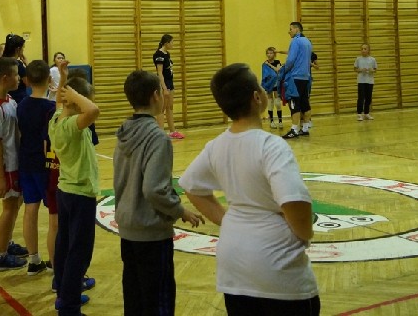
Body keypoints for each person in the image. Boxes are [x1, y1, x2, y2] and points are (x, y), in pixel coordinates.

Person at [179, 63, 320, 316]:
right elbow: (294, 201)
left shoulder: (216, 145)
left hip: (233, 266)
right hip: (277, 269)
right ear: (257, 97)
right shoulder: (272, 146)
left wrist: (230, 220)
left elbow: (191, 186)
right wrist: (304, 234)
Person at [115, 70, 204, 316]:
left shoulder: (123, 132)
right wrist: (180, 210)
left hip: (128, 229)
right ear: (156, 95)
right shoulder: (157, 138)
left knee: (134, 300)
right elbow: (154, 189)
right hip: (151, 234)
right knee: (158, 304)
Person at [50, 63, 101, 315]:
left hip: (65, 192)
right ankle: (69, 305)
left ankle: (64, 289)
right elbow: (93, 110)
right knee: (78, 252)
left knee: (64, 245)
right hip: (80, 194)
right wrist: (75, 95)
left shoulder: (56, 119)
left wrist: (64, 80)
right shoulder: (71, 126)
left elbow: (60, 103)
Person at [0, 56, 30, 271]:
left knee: (15, 204)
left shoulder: (9, 101)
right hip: (6, 167)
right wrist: (1, 177)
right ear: (5, 78)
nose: (19, 78)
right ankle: (0, 256)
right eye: (16, 75)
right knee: (9, 208)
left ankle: (7, 243)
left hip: (14, 164)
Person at [17, 60, 59, 276]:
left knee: (30, 209)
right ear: (49, 79)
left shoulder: (21, 105)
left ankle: (33, 259)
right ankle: (55, 263)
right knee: (54, 216)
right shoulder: (50, 109)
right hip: (46, 166)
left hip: (26, 162)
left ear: (26, 81)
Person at [282, 21, 313, 139]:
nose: (288, 31)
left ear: (297, 29)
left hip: (295, 77)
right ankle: (305, 128)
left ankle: (294, 130)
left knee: (294, 103)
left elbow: (291, 60)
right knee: (305, 103)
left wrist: (284, 70)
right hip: (306, 77)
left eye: (290, 29)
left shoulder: (296, 41)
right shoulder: (307, 41)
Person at [153, 34, 184, 140]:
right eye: (172, 42)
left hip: (170, 82)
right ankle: (160, 133)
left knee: (170, 107)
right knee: (161, 108)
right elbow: (160, 73)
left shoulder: (167, 54)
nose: (173, 44)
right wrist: (164, 88)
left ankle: (172, 131)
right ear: (166, 43)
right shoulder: (159, 55)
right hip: (164, 83)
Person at [261, 47, 283, 129]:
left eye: (271, 53)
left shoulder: (277, 62)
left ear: (274, 54)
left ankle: (280, 121)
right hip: (269, 85)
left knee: (277, 103)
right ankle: (271, 121)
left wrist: (269, 64)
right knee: (270, 102)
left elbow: (277, 70)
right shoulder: (264, 64)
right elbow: (264, 76)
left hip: (276, 84)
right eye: (268, 53)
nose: (269, 55)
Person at [354, 43, 377, 121]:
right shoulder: (358, 59)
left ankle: (366, 113)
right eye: (362, 49)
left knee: (368, 98)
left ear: (368, 50)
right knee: (361, 97)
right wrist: (360, 70)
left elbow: (375, 69)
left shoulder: (372, 59)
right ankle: (359, 114)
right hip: (361, 81)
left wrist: (372, 70)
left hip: (370, 81)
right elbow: (355, 69)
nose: (363, 50)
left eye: (365, 49)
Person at [3, 33, 29, 104]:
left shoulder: (2, 61)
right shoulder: (17, 64)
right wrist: (27, 64)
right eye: (23, 48)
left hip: (5, 97)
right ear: (18, 49)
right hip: (18, 99)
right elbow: (28, 83)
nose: (23, 50)